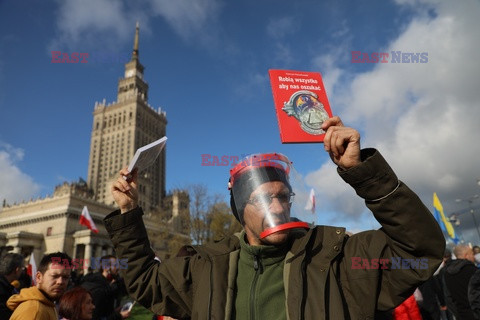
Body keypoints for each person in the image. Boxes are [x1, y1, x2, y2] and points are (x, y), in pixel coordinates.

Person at [105, 116, 445, 319]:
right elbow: (145, 282)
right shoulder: (207, 266)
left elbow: (418, 251)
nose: (277, 206)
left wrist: (363, 173)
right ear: (240, 209)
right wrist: (129, 213)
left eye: (283, 196)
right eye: (263, 198)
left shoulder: (334, 257)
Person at [7, 252, 72, 320]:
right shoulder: (34, 310)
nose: (60, 282)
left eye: (65, 277)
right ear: (39, 277)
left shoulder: (48, 304)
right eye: (55, 276)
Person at [81, 255, 130, 319]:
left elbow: (103, 312)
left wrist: (114, 312)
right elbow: (95, 317)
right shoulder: (98, 288)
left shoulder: (105, 285)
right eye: (115, 265)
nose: (118, 268)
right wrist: (119, 316)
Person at [444, 244, 477, 320]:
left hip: (462, 315)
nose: (474, 256)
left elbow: (448, 298)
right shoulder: (473, 270)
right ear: (466, 256)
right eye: (472, 254)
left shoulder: (447, 273)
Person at [0, 253, 24, 319]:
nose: (22, 271)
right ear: (17, 270)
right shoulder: (3, 289)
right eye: (22, 268)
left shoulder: (7, 286)